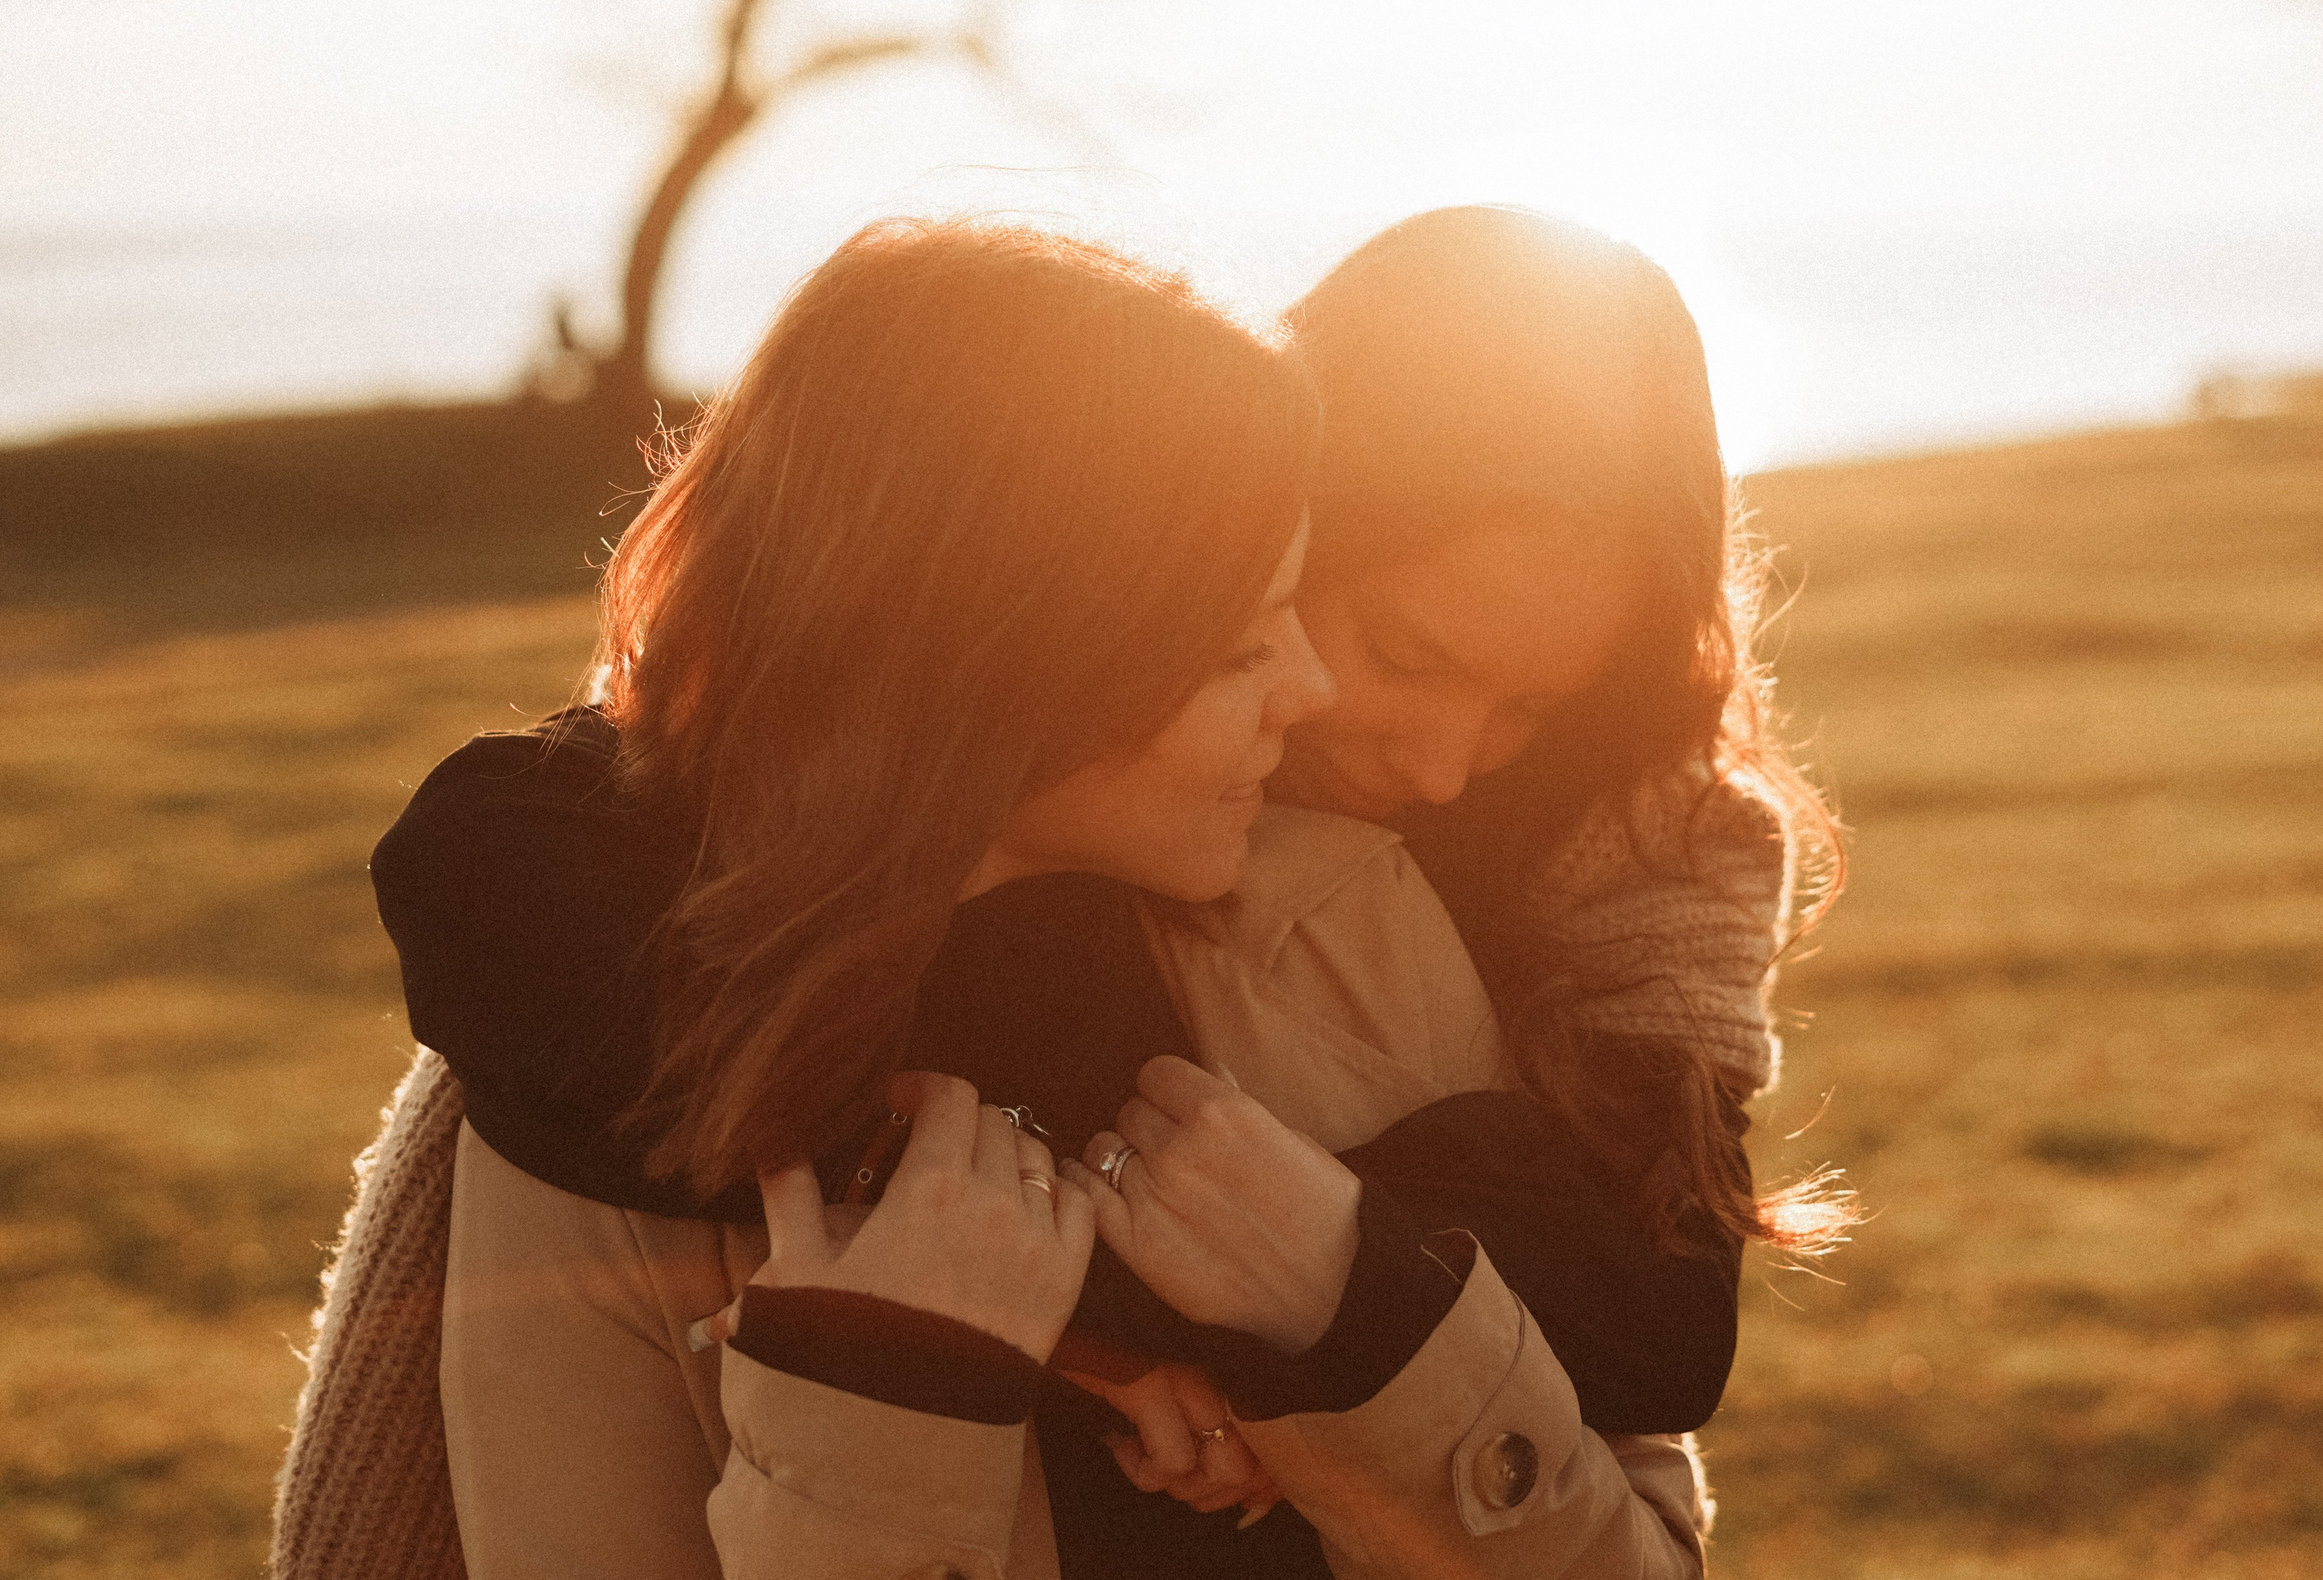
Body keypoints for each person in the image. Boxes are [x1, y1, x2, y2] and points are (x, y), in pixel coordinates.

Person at [272, 213, 1789, 1580]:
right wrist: (938, 1372)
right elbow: (497, 866)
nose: (1450, 763)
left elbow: (1650, 1367)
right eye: (1386, 647)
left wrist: (1361, 1310)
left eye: (1532, 710)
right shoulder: (627, 998)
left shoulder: (1423, 926)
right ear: (1072, 621)